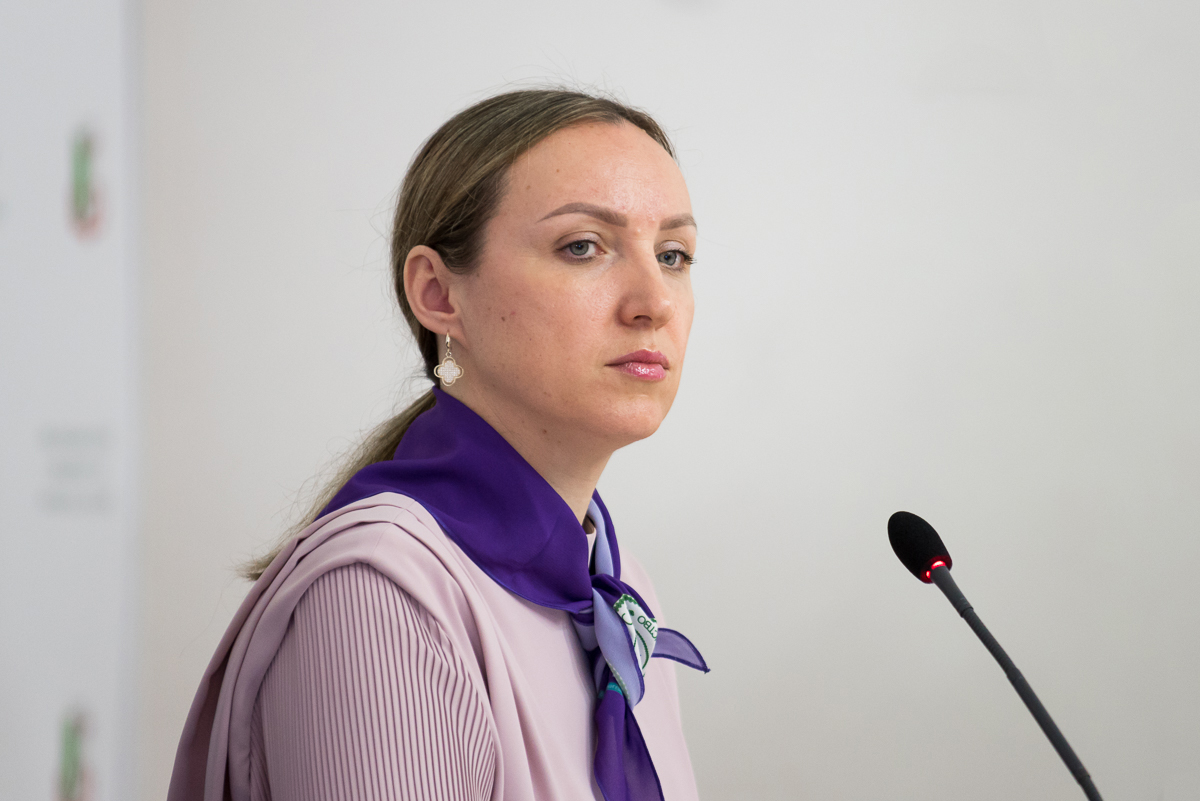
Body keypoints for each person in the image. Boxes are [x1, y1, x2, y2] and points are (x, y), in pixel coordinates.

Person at [167, 88, 708, 801]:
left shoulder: (619, 587)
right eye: (583, 246)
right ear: (439, 295)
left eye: (673, 254)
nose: (655, 301)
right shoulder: (377, 599)